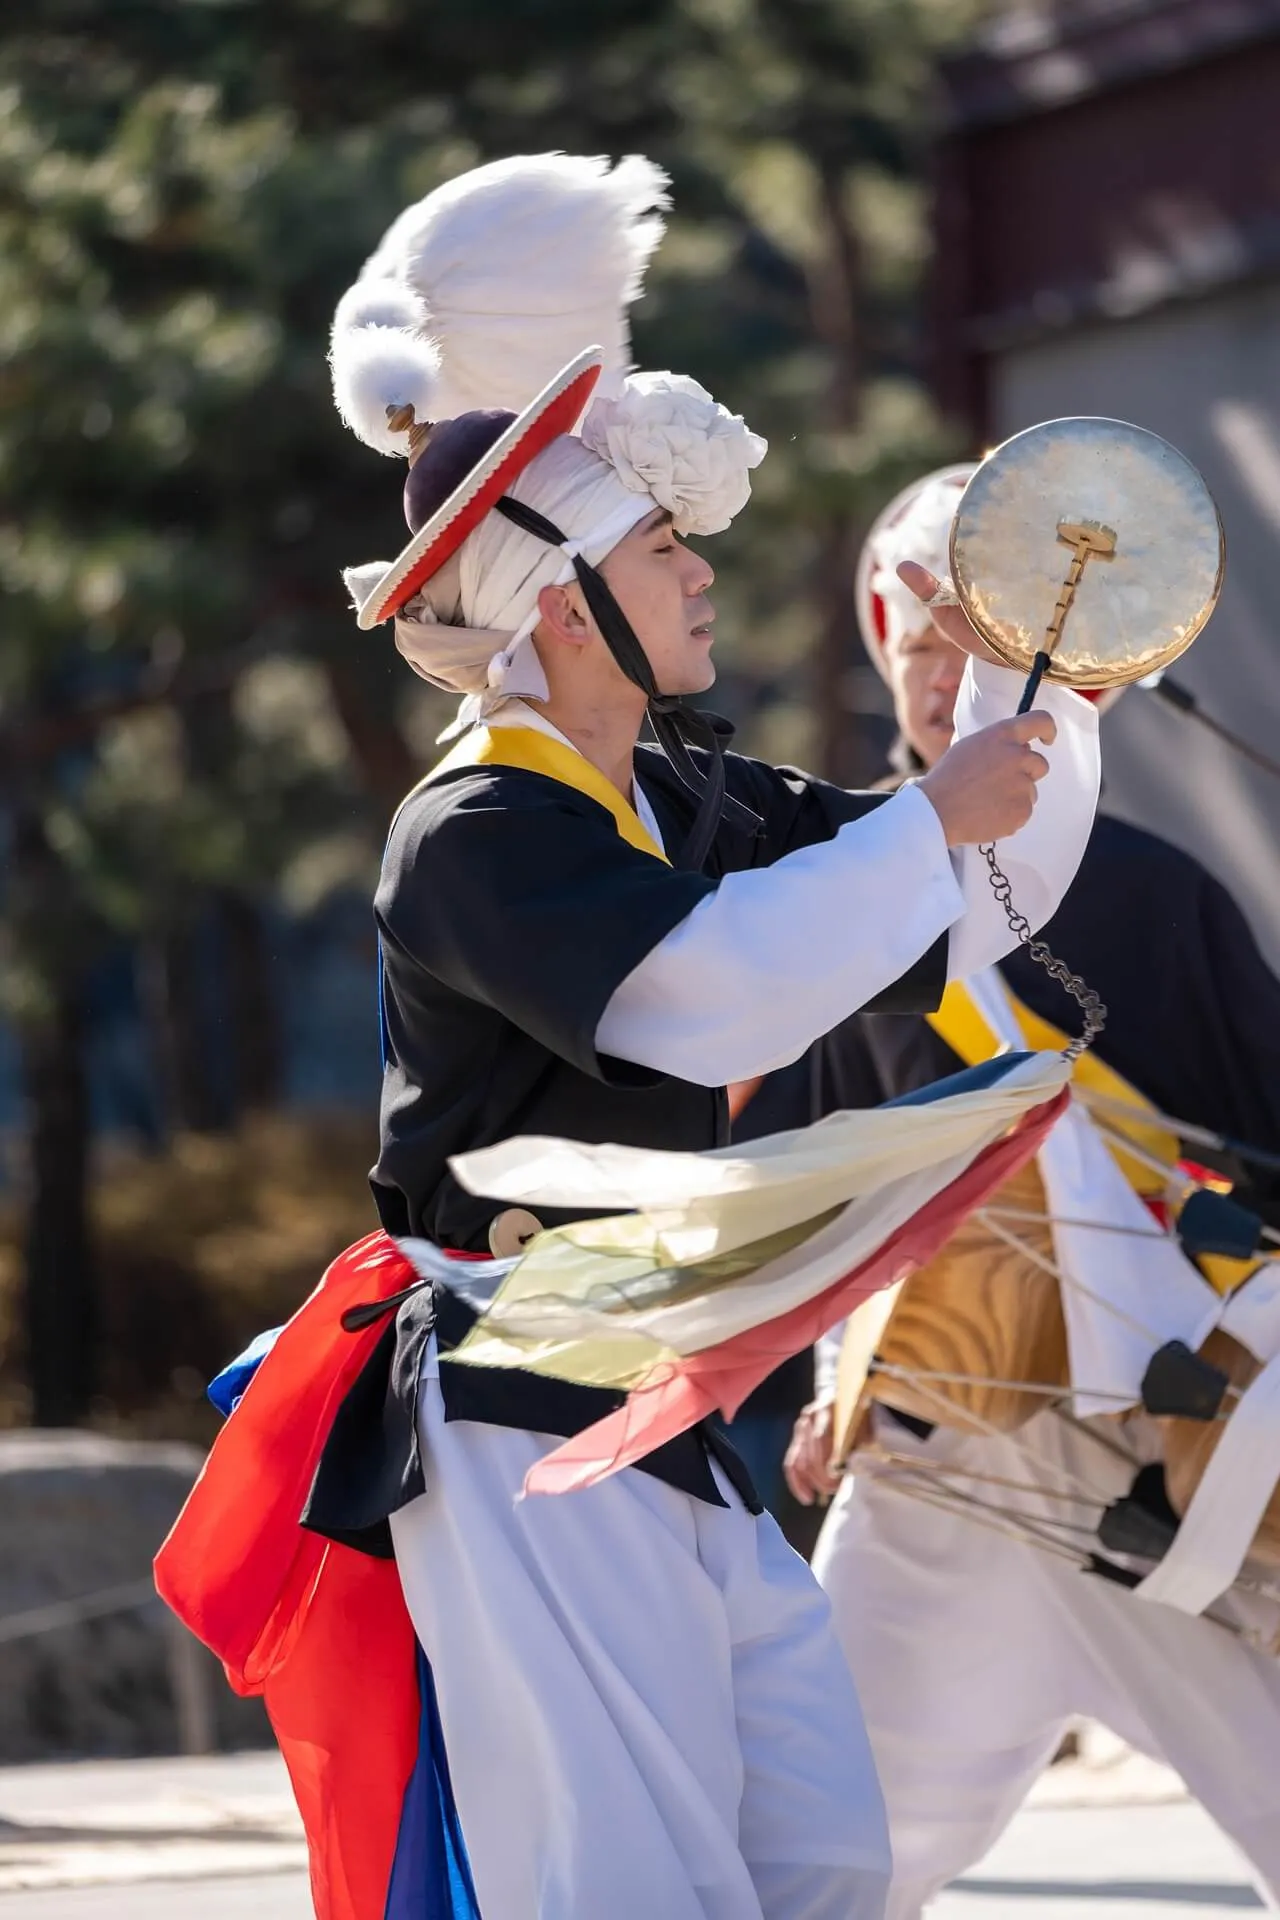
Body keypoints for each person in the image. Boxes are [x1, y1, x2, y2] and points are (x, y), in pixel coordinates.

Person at [163, 163, 1099, 1920]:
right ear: (557, 600)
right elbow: (707, 993)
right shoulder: (472, 830)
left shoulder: (676, 795)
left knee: (818, 1849)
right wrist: (932, 816)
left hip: (651, 1390)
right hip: (521, 1402)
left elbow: (973, 890)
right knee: (626, 1880)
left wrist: (1032, 677)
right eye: (660, 547)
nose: (702, 569)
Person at [766, 464, 1280, 1919]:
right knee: (819, 1857)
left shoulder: (1162, 897)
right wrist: (823, 1374)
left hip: (1171, 1458)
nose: (944, 669)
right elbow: (816, 1177)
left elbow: (1262, 1162)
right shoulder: (838, 889)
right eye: (919, 630)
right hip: (937, 1459)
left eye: (978, 633)